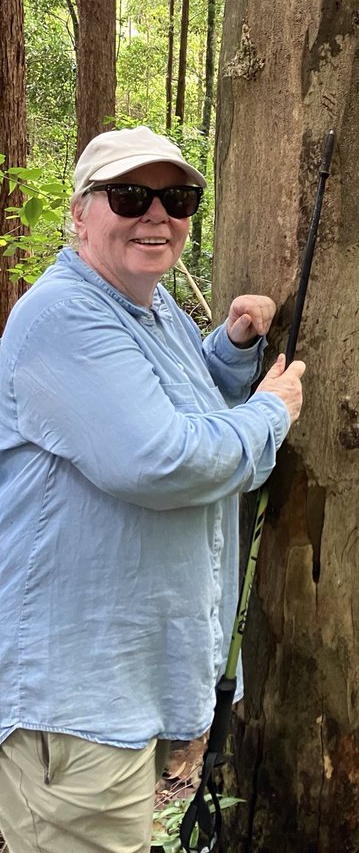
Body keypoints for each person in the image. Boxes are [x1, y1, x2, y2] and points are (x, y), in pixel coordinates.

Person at [0, 126, 306, 853]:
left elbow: (163, 401)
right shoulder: (62, 315)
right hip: (72, 703)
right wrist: (272, 411)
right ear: (81, 214)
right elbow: (158, 459)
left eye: (177, 198)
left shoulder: (148, 303)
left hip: (122, 687)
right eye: (130, 195)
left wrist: (228, 356)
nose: (157, 215)